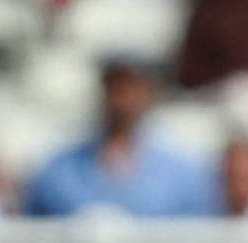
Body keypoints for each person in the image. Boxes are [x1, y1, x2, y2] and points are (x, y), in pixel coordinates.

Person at [24, 57, 218, 218]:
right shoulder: (59, 171)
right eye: (116, 88)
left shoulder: (181, 174)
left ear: (149, 94)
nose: (123, 100)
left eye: (133, 88)